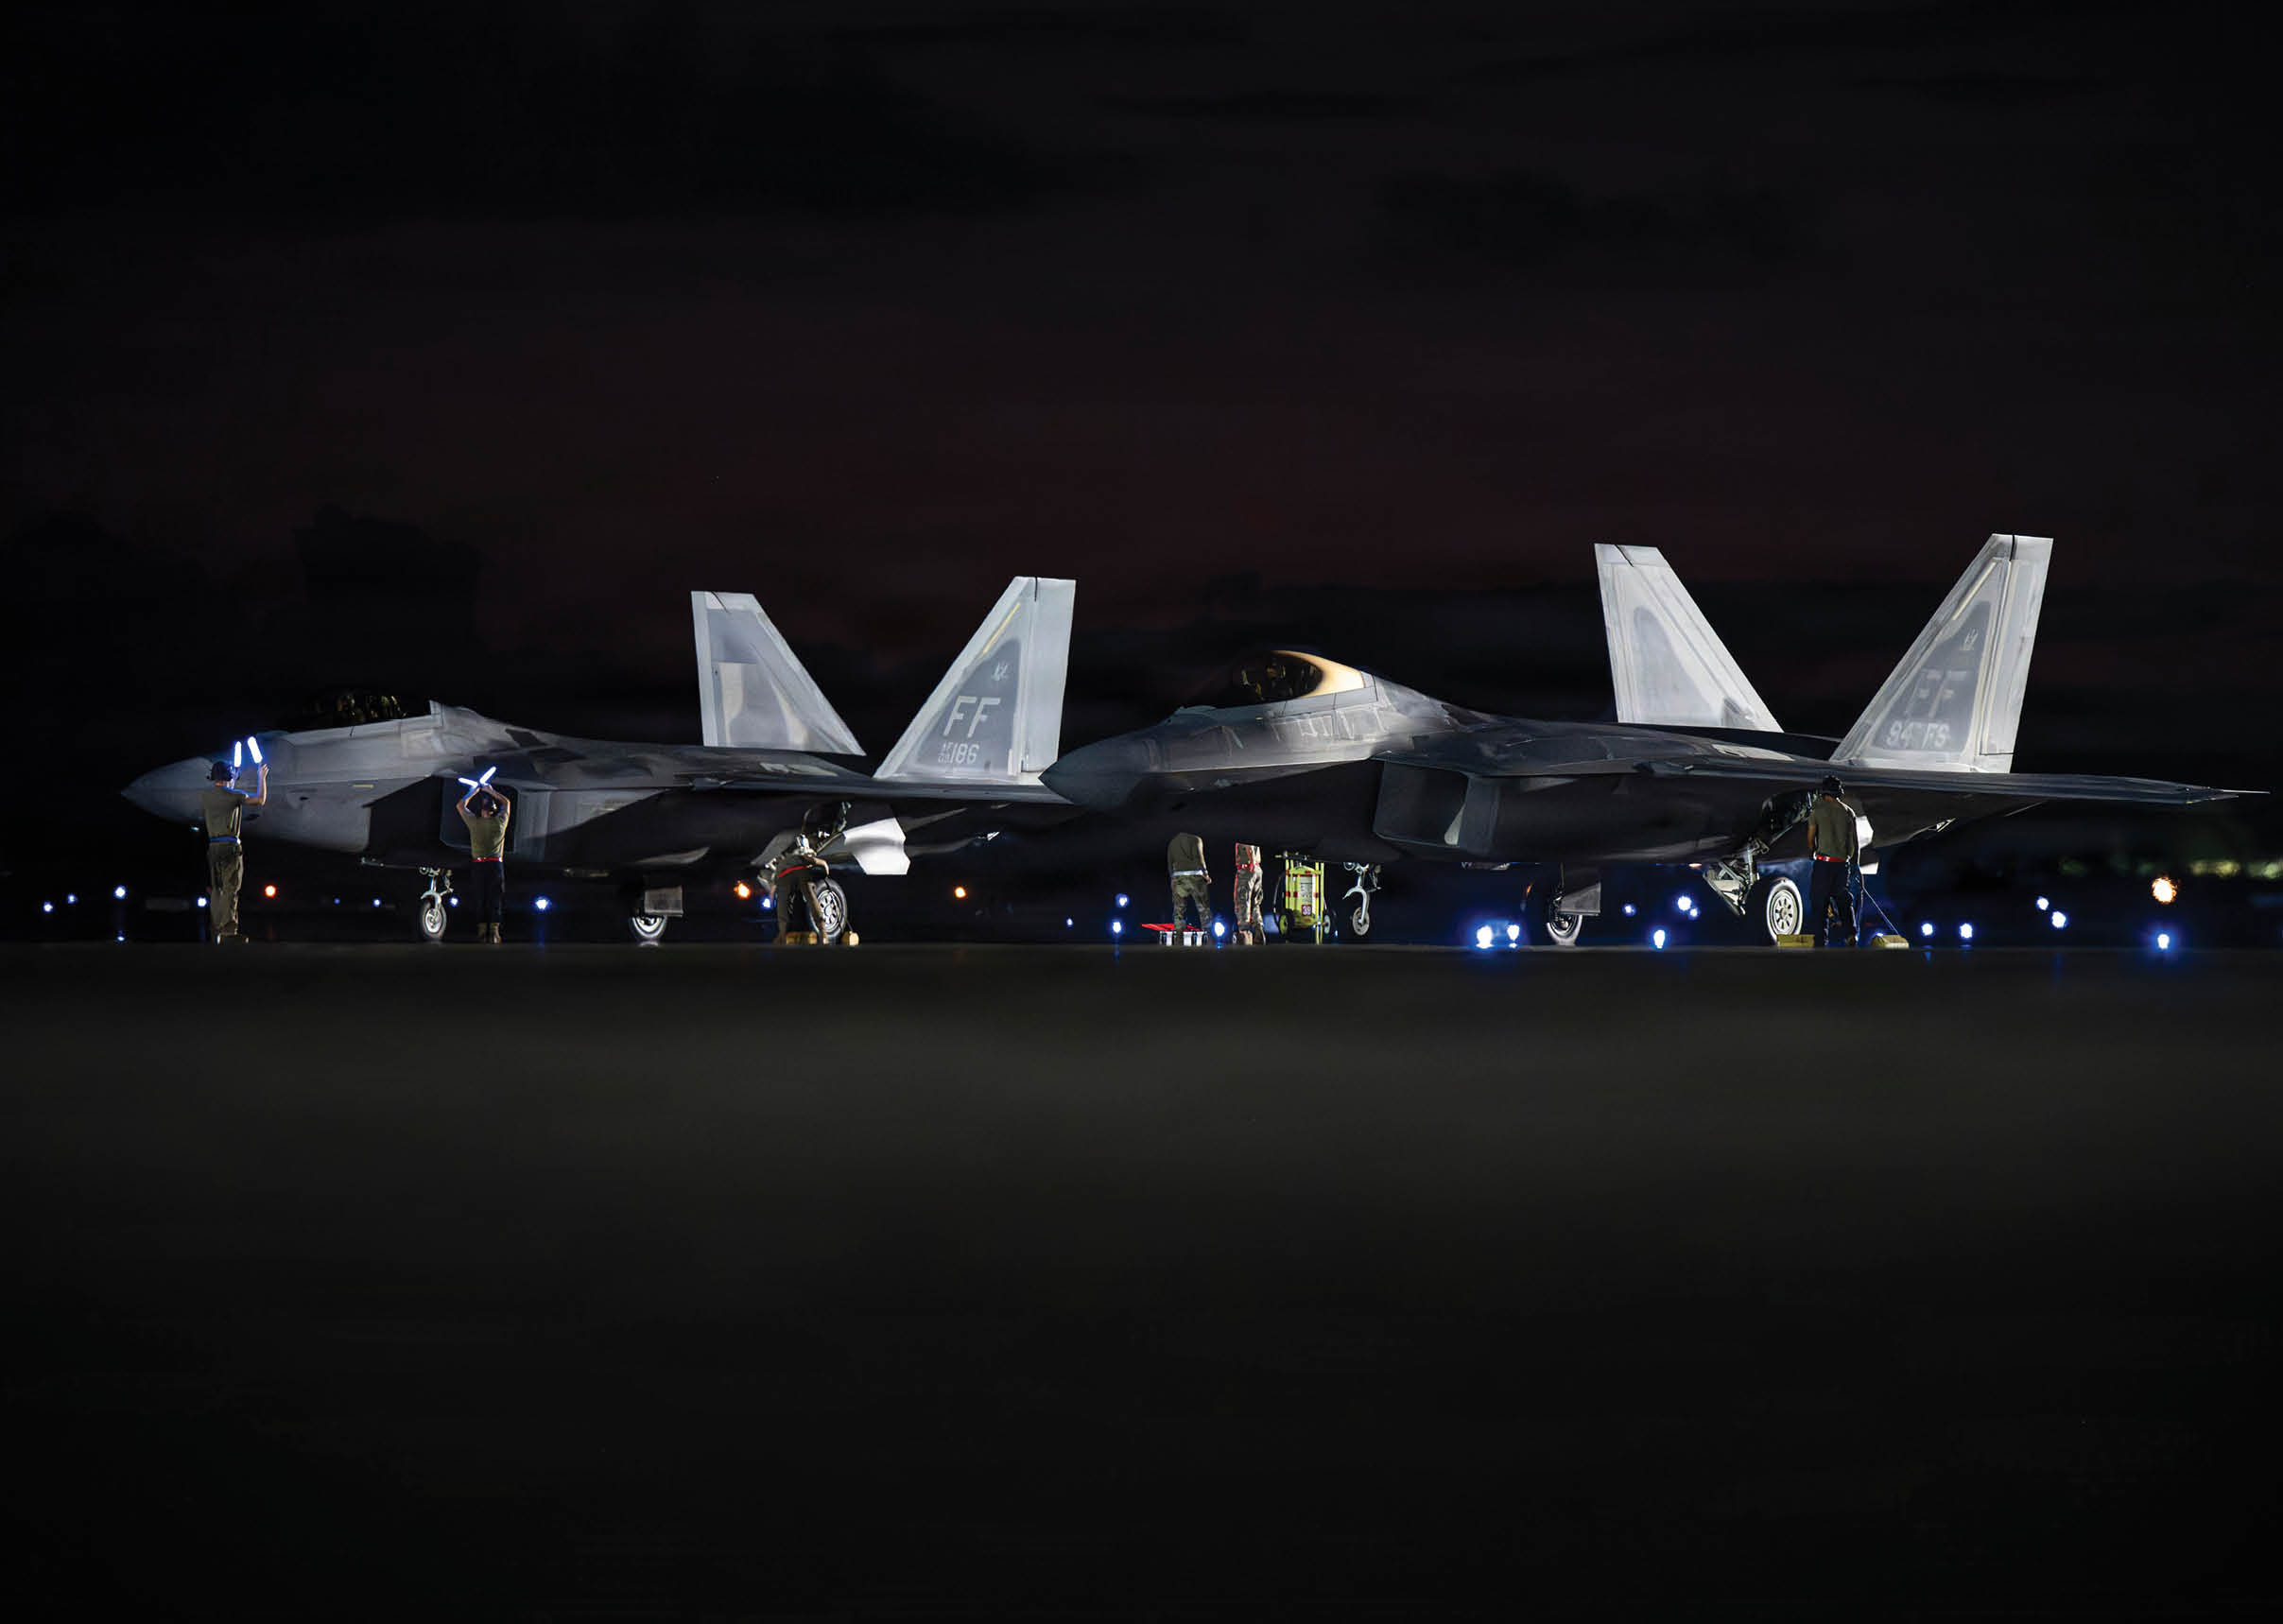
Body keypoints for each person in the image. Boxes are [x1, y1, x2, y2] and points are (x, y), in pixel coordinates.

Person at [199, 757, 267, 942]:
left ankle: (217, 931)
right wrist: (262, 777)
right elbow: (260, 800)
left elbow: (225, 793)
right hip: (230, 847)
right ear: (229, 776)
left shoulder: (206, 796)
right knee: (231, 889)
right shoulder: (235, 796)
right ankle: (229, 932)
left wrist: (232, 780)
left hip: (213, 847)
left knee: (216, 890)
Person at [1807, 774, 1860, 947]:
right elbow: (1855, 843)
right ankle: (1851, 934)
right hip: (1842, 864)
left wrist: (1812, 852)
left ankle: (1821, 940)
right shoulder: (1848, 812)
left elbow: (1811, 838)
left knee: (1819, 901)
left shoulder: (1817, 810)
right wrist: (1854, 864)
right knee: (1843, 899)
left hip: (1824, 863)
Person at [458, 783, 512, 942]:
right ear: (494, 810)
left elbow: (460, 806)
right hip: (495, 865)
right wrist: (492, 791)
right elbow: (507, 804)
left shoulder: (475, 823)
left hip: (479, 864)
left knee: (480, 897)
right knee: (495, 898)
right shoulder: (500, 823)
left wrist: (472, 792)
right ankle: (494, 933)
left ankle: (482, 933)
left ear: (482, 811)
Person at [1167, 831, 1212, 943]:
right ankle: (1208, 935)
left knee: (1178, 909)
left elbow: (1170, 863)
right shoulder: (1197, 839)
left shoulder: (1172, 843)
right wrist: (1206, 874)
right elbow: (1199, 858)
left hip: (1178, 877)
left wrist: (1172, 878)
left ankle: (1179, 936)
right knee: (1203, 907)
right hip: (1195, 876)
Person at [1232, 841, 1265, 943]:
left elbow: (1248, 845)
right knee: (1255, 903)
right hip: (1257, 869)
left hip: (1247, 868)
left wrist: (1251, 861)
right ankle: (1258, 927)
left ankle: (1244, 933)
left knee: (1242, 901)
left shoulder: (1243, 829)